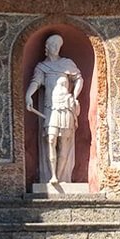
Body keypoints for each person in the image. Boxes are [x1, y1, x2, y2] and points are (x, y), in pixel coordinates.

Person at [25, 34, 83, 183]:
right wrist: (28, 95)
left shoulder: (67, 64)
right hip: (50, 107)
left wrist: (75, 96)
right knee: (51, 139)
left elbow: (79, 79)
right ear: (47, 48)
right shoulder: (42, 67)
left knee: (64, 141)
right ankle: (53, 176)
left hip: (65, 106)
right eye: (53, 45)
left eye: (58, 45)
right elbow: (35, 82)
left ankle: (62, 175)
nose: (56, 48)